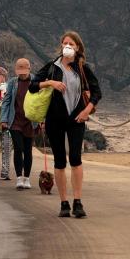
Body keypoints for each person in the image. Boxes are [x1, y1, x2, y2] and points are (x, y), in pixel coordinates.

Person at [30, 31, 101, 218]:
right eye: (65, 43)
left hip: (76, 119)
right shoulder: (52, 67)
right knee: (60, 160)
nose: (67, 46)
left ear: (78, 47)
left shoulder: (82, 67)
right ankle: (63, 202)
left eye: (71, 43)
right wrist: (50, 83)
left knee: (76, 158)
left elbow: (96, 92)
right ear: (61, 46)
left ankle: (78, 201)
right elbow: (33, 85)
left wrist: (86, 111)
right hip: (55, 119)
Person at [1, 58, 37, 190]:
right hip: (15, 120)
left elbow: (41, 101)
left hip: (30, 121)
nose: (21, 74)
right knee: (18, 148)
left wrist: (42, 120)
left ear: (29, 69)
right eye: (19, 71)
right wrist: (4, 119)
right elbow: (6, 101)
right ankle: (19, 178)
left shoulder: (36, 81)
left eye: (24, 71)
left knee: (28, 150)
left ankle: (27, 178)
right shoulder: (12, 83)